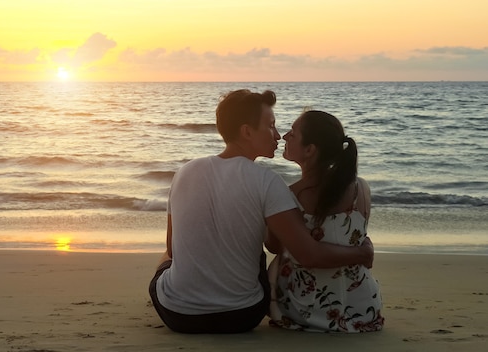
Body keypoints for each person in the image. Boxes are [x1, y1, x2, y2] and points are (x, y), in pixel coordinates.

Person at [148, 90, 374, 334]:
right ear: (247, 131)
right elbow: (308, 254)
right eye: (271, 126)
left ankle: (188, 292)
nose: (278, 135)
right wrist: (361, 253)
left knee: (168, 256)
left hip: (178, 316)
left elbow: (173, 249)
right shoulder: (268, 181)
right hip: (242, 315)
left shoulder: (184, 172)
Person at [266, 109, 384, 333]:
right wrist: (362, 252)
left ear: (310, 150)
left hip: (309, 311)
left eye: (292, 133)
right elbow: (355, 237)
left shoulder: (289, 195)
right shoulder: (361, 187)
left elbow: (274, 245)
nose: (284, 137)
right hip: (364, 307)